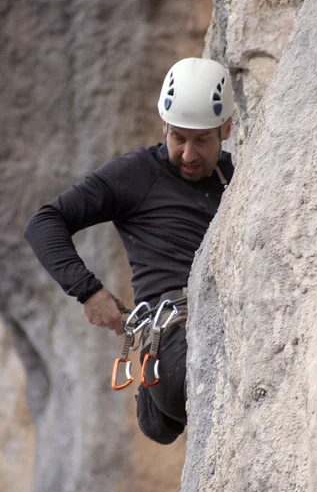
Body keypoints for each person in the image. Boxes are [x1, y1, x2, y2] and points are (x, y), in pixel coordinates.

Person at [24, 57, 235, 444]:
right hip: (175, 340)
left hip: (221, 318)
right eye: (178, 138)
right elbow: (44, 223)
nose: (188, 154)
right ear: (165, 128)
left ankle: (157, 413)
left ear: (227, 129)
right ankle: (156, 404)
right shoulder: (135, 175)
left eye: (202, 140)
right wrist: (88, 291)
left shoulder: (237, 176)